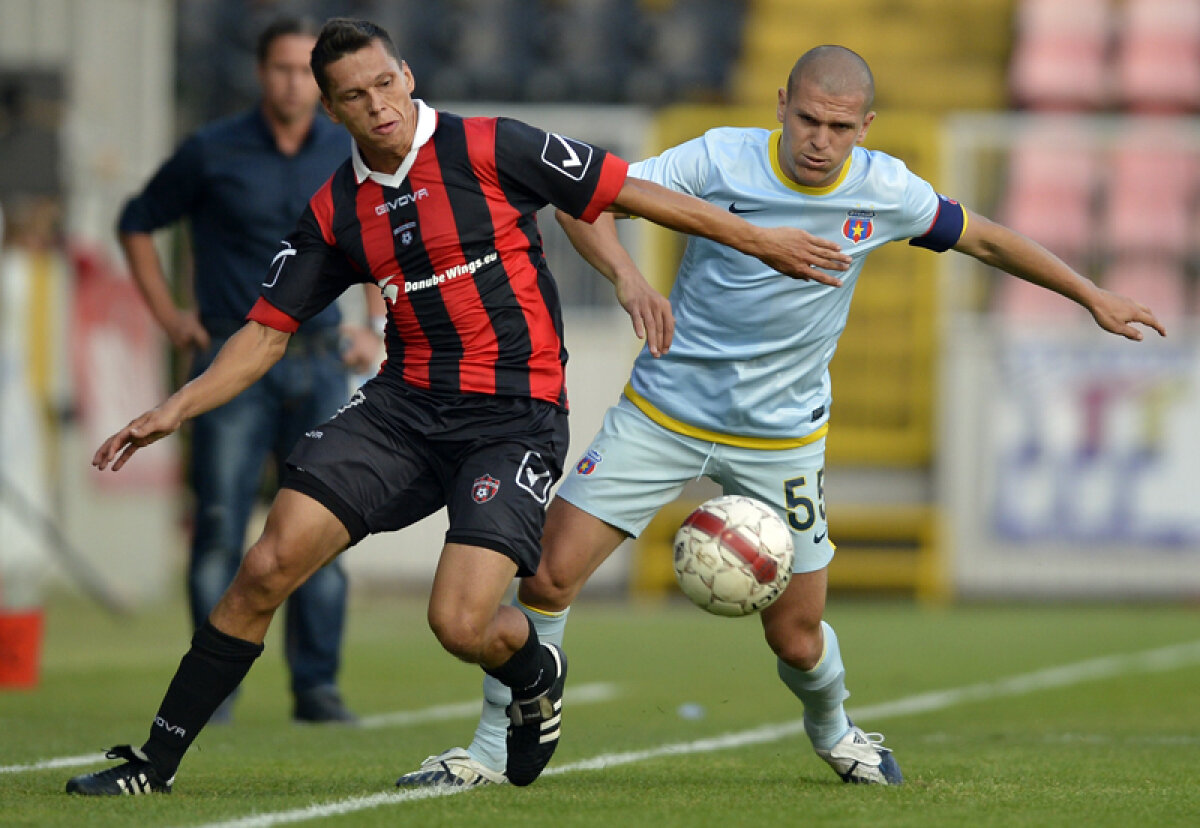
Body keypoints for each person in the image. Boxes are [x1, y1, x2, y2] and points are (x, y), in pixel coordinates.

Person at [65, 19, 853, 796]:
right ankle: (153, 764)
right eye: (354, 95)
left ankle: (531, 672)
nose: (378, 105)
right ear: (332, 110)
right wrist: (175, 405)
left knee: (461, 625)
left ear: (407, 74)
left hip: (513, 419)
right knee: (265, 565)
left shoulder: (493, 145)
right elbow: (265, 334)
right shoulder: (336, 211)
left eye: (384, 83)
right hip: (401, 411)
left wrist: (760, 241)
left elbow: (628, 193)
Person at [396, 45, 1167, 789]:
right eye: (807, 120)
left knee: (795, 635)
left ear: (866, 127)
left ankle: (836, 732)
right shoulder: (716, 159)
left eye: (839, 127)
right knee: (548, 576)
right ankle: (497, 744)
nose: (820, 141)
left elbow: (988, 239)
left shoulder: (885, 190)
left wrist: (1091, 295)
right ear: (781, 107)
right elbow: (584, 199)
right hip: (663, 413)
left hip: (782, 437)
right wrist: (630, 278)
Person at [115, 16, 384, 726]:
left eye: (306, 71)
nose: (294, 82)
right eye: (282, 69)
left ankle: (318, 689)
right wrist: (172, 316)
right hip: (234, 359)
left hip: (322, 359)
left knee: (323, 528)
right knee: (218, 523)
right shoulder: (211, 150)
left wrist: (374, 325)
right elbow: (137, 221)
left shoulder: (347, 146)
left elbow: (384, 231)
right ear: (262, 74)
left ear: (323, 86)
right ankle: (216, 691)